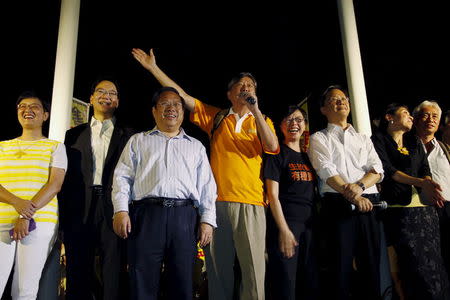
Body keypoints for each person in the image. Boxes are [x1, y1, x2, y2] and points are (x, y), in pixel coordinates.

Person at [131, 48, 279, 300]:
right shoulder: (217, 117)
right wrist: (153, 68)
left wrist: (256, 111)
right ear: (230, 94)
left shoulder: (262, 119)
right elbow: (183, 97)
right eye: (241, 85)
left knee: (254, 271)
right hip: (217, 203)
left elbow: (273, 146)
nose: (247, 87)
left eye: (251, 85)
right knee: (218, 271)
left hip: (252, 204)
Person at [112, 87, 217, 300]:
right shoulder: (138, 141)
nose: (171, 108)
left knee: (182, 281)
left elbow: (207, 186)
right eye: (165, 104)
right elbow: (122, 177)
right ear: (154, 111)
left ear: (183, 112)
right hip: (146, 216)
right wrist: (120, 210)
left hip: (185, 218)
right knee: (142, 279)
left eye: (177, 104)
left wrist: (207, 220)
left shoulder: (196, 147)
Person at [59, 78, 134, 300]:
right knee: (77, 270)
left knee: (113, 271)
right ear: (91, 98)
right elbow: (67, 177)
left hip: (114, 208)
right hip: (80, 208)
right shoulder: (72, 135)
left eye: (112, 93)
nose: (106, 96)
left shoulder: (129, 135)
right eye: (101, 91)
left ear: (118, 101)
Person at [308, 85, 385, 300]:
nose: (341, 101)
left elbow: (377, 169)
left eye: (343, 98)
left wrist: (359, 188)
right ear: (323, 109)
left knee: (371, 264)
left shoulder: (362, 138)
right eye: (334, 99)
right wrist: (351, 193)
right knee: (339, 267)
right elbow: (326, 170)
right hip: (337, 205)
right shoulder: (318, 138)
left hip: (369, 203)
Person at [371, 102, 449, 300]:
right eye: (406, 113)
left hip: (426, 214)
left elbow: (426, 170)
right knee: (414, 268)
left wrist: (429, 184)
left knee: (435, 267)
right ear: (390, 117)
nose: (411, 118)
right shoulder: (379, 140)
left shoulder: (414, 142)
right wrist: (422, 183)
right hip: (401, 214)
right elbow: (388, 171)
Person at [0, 91, 67, 299]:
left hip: (39, 222)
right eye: (22, 107)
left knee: (24, 290)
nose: (27, 110)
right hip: (2, 219)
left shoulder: (55, 147)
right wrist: (16, 202)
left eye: (34, 107)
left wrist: (25, 215)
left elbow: (54, 184)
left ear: (45, 115)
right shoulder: (3, 147)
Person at [264, 105, 319, 300]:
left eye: (298, 119)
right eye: (288, 120)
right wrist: (284, 230)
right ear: (281, 126)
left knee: (310, 284)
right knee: (285, 286)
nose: (293, 123)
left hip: (310, 227)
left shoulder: (309, 158)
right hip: (287, 225)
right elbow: (272, 196)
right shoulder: (276, 154)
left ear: (304, 125)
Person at [413, 101, 450, 284]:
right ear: (416, 119)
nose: (431, 119)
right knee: (429, 262)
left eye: (435, 116)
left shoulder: (445, 148)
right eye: (426, 115)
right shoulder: (408, 147)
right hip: (421, 210)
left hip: (448, 208)